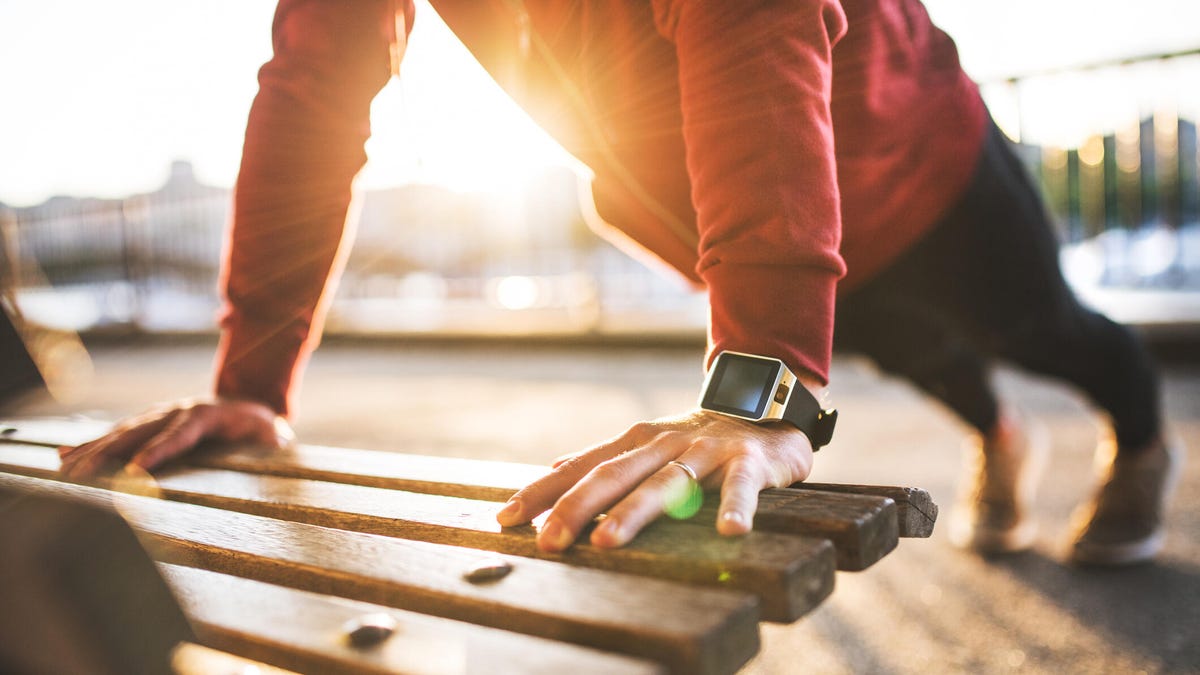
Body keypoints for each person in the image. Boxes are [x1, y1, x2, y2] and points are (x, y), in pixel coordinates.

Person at [59, 0, 1179, 565]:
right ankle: (998, 437)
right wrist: (254, 380)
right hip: (728, 201)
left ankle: (1138, 437)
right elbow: (311, 96)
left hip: (907, 153)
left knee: (1043, 328)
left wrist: (767, 379)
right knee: (908, 352)